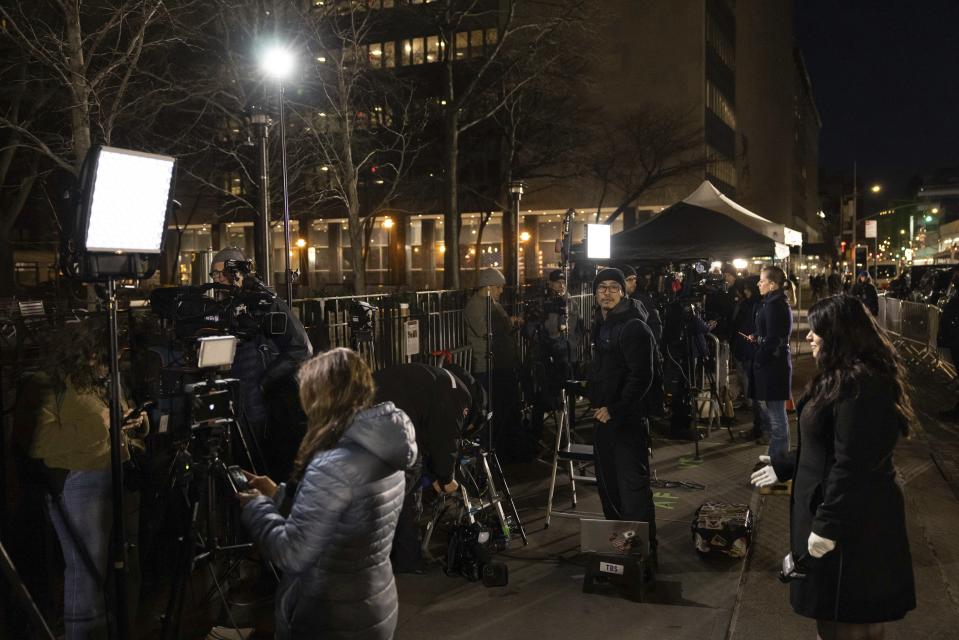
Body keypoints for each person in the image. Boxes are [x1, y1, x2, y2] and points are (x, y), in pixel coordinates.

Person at [751, 295, 916, 640]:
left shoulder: (861, 385)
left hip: (851, 526)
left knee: (848, 618)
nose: (809, 336)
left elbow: (854, 465)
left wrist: (826, 528)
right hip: (842, 516)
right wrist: (785, 466)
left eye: (817, 330)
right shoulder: (841, 377)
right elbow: (826, 446)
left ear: (839, 334)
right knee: (847, 615)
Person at [239, 348, 417, 640]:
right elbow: (342, 516)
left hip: (332, 616)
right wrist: (277, 494)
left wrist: (257, 507)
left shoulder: (334, 464)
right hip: (375, 603)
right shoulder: (384, 448)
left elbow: (292, 554)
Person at [13, 319, 142, 639]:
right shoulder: (45, 384)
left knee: (122, 565)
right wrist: (101, 426)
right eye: (101, 355)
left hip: (118, 472)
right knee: (86, 571)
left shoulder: (102, 379)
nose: (108, 363)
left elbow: (117, 421)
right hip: (80, 482)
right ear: (82, 353)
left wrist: (136, 423)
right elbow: (39, 442)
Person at [209, 247, 313, 478]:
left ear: (238, 272)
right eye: (214, 275)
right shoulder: (226, 305)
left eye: (221, 274)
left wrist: (265, 381)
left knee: (262, 465)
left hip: (260, 403)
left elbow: (301, 348)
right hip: (236, 397)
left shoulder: (265, 302)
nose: (217, 280)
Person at [372, 362, 476, 573]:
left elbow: (427, 436)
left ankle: (406, 558)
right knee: (401, 490)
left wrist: (434, 474)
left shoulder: (439, 381)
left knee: (406, 491)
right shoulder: (459, 397)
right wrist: (446, 478)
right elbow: (446, 440)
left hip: (371, 413)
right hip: (391, 425)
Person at [587, 267, 658, 566]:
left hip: (626, 422)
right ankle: (620, 554)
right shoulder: (601, 326)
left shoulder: (633, 327)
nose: (606, 292)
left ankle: (643, 558)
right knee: (609, 489)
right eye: (601, 287)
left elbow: (642, 376)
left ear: (624, 291)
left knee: (632, 492)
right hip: (604, 420)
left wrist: (615, 408)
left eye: (613, 287)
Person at [465, 267, 529, 460]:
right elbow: (486, 330)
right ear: (489, 287)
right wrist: (507, 322)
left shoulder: (492, 303)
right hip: (488, 365)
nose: (501, 291)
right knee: (491, 409)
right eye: (499, 287)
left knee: (506, 406)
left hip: (501, 363)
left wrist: (511, 321)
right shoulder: (475, 306)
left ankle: (507, 448)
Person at [523, 269, 583, 442]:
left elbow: (578, 327)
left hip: (566, 355)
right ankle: (537, 435)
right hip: (547, 357)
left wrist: (572, 344)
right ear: (550, 283)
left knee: (568, 396)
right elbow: (531, 329)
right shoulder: (544, 303)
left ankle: (568, 432)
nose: (561, 285)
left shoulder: (571, 302)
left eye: (563, 282)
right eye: (557, 282)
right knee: (543, 397)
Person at [747, 265, 792, 457]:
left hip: (774, 365)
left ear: (772, 284)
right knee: (775, 414)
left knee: (777, 417)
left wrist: (759, 357)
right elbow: (771, 333)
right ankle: (776, 456)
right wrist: (757, 336)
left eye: (762, 280)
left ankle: (778, 461)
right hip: (773, 362)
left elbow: (774, 338)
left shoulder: (775, 305)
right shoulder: (772, 302)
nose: (758, 283)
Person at [731, 276, 762, 439]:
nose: (745, 291)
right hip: (747, 348)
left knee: (757, 393)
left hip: (752, 351)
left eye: (748, 288)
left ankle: (762, 429)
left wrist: (753, 338)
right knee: (751, 387)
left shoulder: (758, 305)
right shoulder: (751, 304)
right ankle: (758, 427)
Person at [621, 264, 663, 345]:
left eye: (634, 279)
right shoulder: (615, 301)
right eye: (629, 279)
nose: (634, 282)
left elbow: (655, 325)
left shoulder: (643, 300)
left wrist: (650, 347)